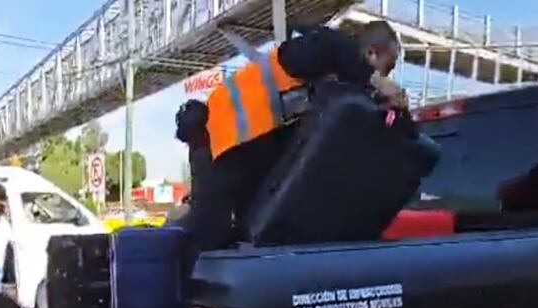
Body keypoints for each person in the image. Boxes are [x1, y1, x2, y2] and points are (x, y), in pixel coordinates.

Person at [174, 21, 406, 260]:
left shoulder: (339, 78)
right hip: (228, 136)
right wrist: (376, 80)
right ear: (371, 53)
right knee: (208, 233)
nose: (389, 73)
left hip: (242, 144)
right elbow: (331, 44)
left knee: (247, 229)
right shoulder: (324, 49)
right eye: (389, 65)